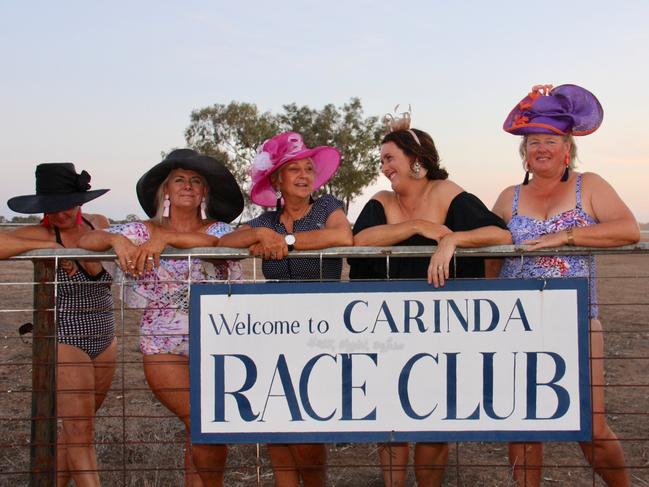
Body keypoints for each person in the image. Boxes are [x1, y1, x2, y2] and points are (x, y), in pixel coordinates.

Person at [348, 110, 511, 487]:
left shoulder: (448, 193)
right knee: (389, 416)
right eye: (382, 159)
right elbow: (360, 240)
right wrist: (420, 227)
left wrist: (452, 238)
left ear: (416, 162)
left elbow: (499, 235)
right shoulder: (381, 201)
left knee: (433, 416)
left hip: (442, 328)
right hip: (387, 326)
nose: (383, 166)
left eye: (390, 158)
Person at [489, 84, 639, 487]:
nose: (541, 148)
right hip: (515, 324)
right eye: (533, 141)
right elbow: (488, 256)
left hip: (575, 321)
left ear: (566, 146)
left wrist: (567, 236)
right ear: (524, 151)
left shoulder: (588, 186)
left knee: (590, 424)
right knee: (523, 423)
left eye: (550, 140)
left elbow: (626, 229)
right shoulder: (508, 198)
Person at [78, 149, 244, 486]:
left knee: (198, 430)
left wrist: (167, 238)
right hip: (163, 345)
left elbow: (220, 244)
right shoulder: (141, 231)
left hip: (219, 341)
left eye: (196, 181)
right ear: (165, 190)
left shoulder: (221, 229)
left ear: (205, 192)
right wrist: (115, 240)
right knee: (202, 422)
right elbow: (85, 239)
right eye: (179, 180)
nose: (188, 186)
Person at [218, 131, 353, 486]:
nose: (304, 175)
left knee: (310, 428)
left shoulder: (327, 207)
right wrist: (258, 236)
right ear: (276, 179)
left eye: (309, 168)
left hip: (323, 332)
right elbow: (224, 242)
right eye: (294, 169)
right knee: (276, 423)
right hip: (274, 331)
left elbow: (342, 236)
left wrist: (287, 242)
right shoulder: (264, 221)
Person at [5, 163, 115, 487]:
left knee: (75, 430)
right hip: (66, 336)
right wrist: (49, 248)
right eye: (51, 205)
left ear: (80, 200)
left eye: (66, 203)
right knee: (81, 433)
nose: (60, 212)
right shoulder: (40, 233)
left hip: (105, 335)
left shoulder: (99, 224)